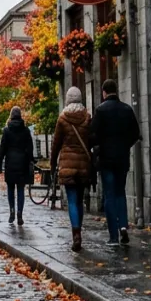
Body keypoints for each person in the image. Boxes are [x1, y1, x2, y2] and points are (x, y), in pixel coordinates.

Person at [90, 78, 142, 246]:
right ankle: (123, 226)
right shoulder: (127, 109)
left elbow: (92, 134)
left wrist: (98, 147)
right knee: (120, 192)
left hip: (106, 159)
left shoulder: (101, 110)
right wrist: (125, 145)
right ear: (116, 90)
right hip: (122, 158)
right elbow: (136, 133)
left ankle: (113, 235)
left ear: (104, 92)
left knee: (109, 195)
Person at [52, 86, 94, 252]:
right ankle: (79, 231)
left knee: (71, 200)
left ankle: (76, 234)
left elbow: (56, 143)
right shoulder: (87, 117)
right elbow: (91, 140)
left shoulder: (62, 119)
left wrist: (53, 162)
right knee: (80, 200)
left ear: (68, 99)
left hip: (68, 165)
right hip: (83, 164)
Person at [0, 107, 34, 226]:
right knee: (21, 189)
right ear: (20, 115)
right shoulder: (26, 131)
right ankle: (19, 213)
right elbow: (30, 148)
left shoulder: (7, 131)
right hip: (22, 163)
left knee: (10, 189)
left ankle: (12, 210)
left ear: (11, 116)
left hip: (10, 163)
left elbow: (2, 148)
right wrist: (31, 160)